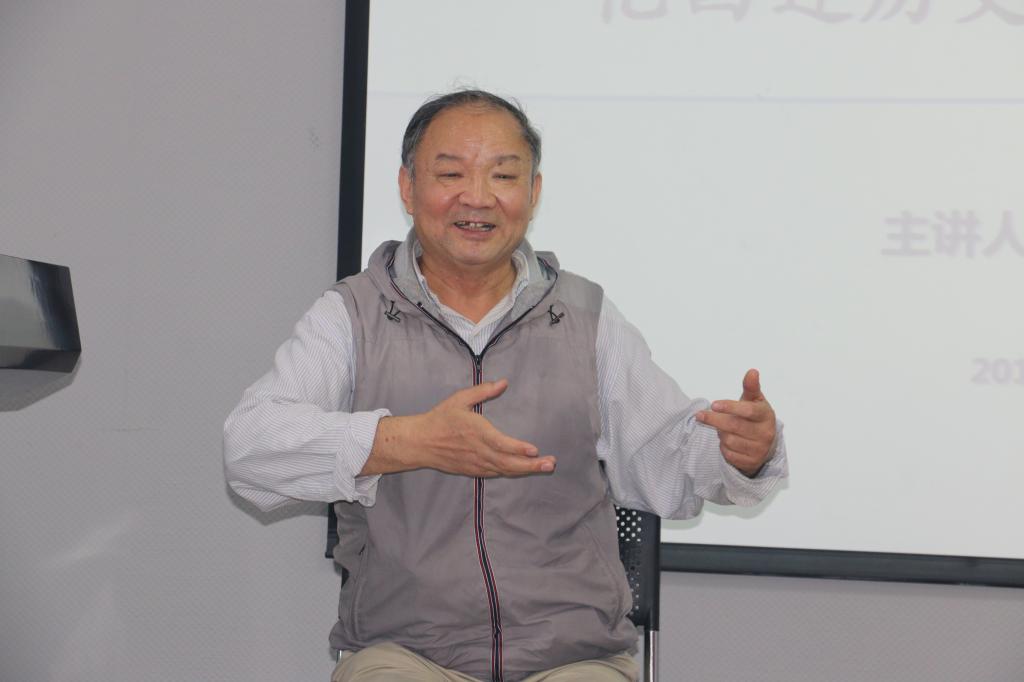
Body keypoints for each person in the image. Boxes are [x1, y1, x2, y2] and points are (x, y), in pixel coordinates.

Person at [223, 89, 788, 682]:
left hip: (573, 657)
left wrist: (741, 454)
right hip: (406, 652)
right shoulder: (352, 315)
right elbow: (251, 448)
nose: (477, 197)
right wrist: (407, 441)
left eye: (503, 175)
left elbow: (664, 456)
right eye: (451, 174)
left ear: (533, 193)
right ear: (408, 188)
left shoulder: (585, 316)